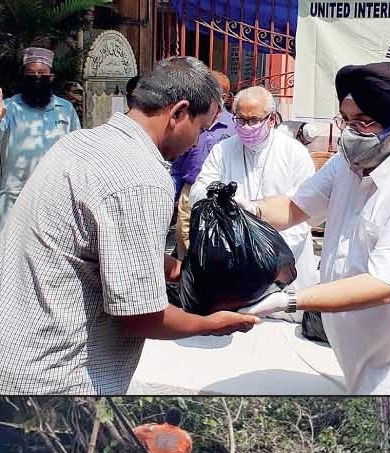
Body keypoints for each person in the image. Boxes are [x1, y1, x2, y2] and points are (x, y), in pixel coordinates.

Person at [0, 56, 258, 394]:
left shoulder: (80, 143)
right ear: (178, 113)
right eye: (201, 128)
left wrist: (177, 269)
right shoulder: (142, 178)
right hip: (57, 378)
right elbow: (140, 316)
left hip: (17, 349)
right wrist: (208, 325)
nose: (198, 143)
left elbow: (103, 246)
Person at [239, 64, 390, 395]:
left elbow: (387, 285)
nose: (351, 132)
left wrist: (286, 301)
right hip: (363, 343)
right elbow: (298, 207)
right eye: (345, 120)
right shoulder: (345, 164)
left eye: (364, 122)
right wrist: (248, 209)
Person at [190, 85, 318, 295]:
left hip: (284, 255)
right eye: (240, 120)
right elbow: (199, 190)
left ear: (271, 119)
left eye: (254, 120)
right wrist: (218, 197)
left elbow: (304, 208)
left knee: (285, 314)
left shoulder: (294, 153)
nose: (246, 126)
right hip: (234, 255)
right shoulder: (223, 150)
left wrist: (266, 250)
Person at [0, 47, 80, 228]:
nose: (37, 78)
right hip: (14, 199)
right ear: (23, 76)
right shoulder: (9, 108)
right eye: (31, 73)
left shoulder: (65, 110)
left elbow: (77, 153)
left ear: (51, 76)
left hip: (54, 200)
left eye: (42, 73)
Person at [172, 70, 236, 258]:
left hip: (220, 194)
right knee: (186, 242)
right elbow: (179, 161)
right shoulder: (189, 121)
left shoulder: (234, 126)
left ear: (223, 97)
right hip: (190, 191)